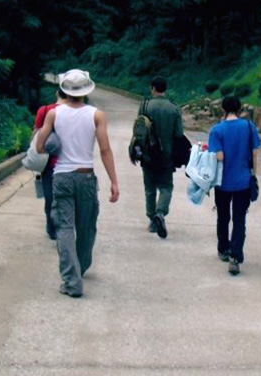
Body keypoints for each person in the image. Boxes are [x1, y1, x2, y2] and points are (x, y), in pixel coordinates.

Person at [37, 69, 119, 298]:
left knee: (64, 227)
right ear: (87, 90)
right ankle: (80, 268)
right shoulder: (97, 115)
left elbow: (39, 146)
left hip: (61, 176)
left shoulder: (54, 114)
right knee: (86, 227)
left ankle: (72, 281)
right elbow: (104, 150)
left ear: (64, 89)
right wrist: (114, 182)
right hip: (86, 177)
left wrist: (54, 145)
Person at [208, 96, 260, 276]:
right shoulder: (248, 127)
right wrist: (253, 176)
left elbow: (219, 157)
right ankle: (236, 257)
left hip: (222, 182)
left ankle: (223, 249)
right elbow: (254, 154)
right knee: (240, 219)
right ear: (239, 109)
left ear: (223, 109)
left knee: (223, 217)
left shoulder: (217, 130)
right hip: (243, 181)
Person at [138, 76, 184, 239]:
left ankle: (152, 221)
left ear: (153, 88)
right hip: (166, 154)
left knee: (149, 188)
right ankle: (160, 212)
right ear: (165, 89)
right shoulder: (173, 108)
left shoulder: (144, 106)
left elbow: (139, 129)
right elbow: (179, 133)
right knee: (165, 187)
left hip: (147, 154)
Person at [33, 89, 67, 240]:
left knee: (50, 197)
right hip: (69, 162)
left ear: (56, 93)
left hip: (49, 162)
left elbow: (36, 135)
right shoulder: (76, 112)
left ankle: (52, 227)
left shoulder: (45, 110)